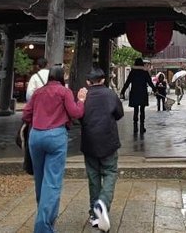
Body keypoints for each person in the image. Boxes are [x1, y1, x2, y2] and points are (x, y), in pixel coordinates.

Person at [22, 64, 85, 233]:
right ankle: (43, 226)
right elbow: (75, 113)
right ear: (61, 77)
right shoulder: (64, 92)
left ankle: (44, 216)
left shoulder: (38, 92)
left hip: (36, 136)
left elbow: (26, 114)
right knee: (53, 181)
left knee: (40, 179)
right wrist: (81, 101)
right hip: (56, 136)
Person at [80, 67, 122, 231]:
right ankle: (102, 204)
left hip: (89, 142)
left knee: (93, 177)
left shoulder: (85, 95)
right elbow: (119, 114)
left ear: (88, 82)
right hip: (108, 141)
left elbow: (78, 114)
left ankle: (94, 214)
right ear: (104, 80)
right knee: (110, 173)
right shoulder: (110, 94)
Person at [120, 57, 157, 134]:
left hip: (135, 93)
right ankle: (142, 126)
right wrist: (155, 90)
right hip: (143, 93)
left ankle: (135, 127)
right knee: (142, 110)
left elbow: (127, 82)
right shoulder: (145, 72)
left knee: (136, 110)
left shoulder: (133, 72)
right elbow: (150, 82)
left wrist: (122, 92)